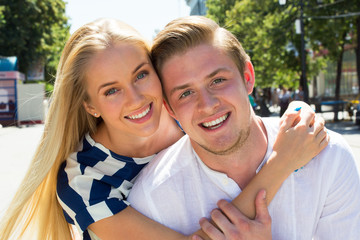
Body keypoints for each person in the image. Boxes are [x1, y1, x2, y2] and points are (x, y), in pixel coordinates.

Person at [0, 18, 326, 240]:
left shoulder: (182, 115)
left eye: (141, 74)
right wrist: (283, 162)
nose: (137, 99)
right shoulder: (84, 181)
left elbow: (241, 119)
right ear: (90, 106)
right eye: (111, 90)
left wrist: (298, 117)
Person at [128, 16, 360, 239]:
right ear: (170, 109)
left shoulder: (328, 157)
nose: (207, 105)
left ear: (248, 77)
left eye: (217, 80)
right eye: (186, 93)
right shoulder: (150, 200)